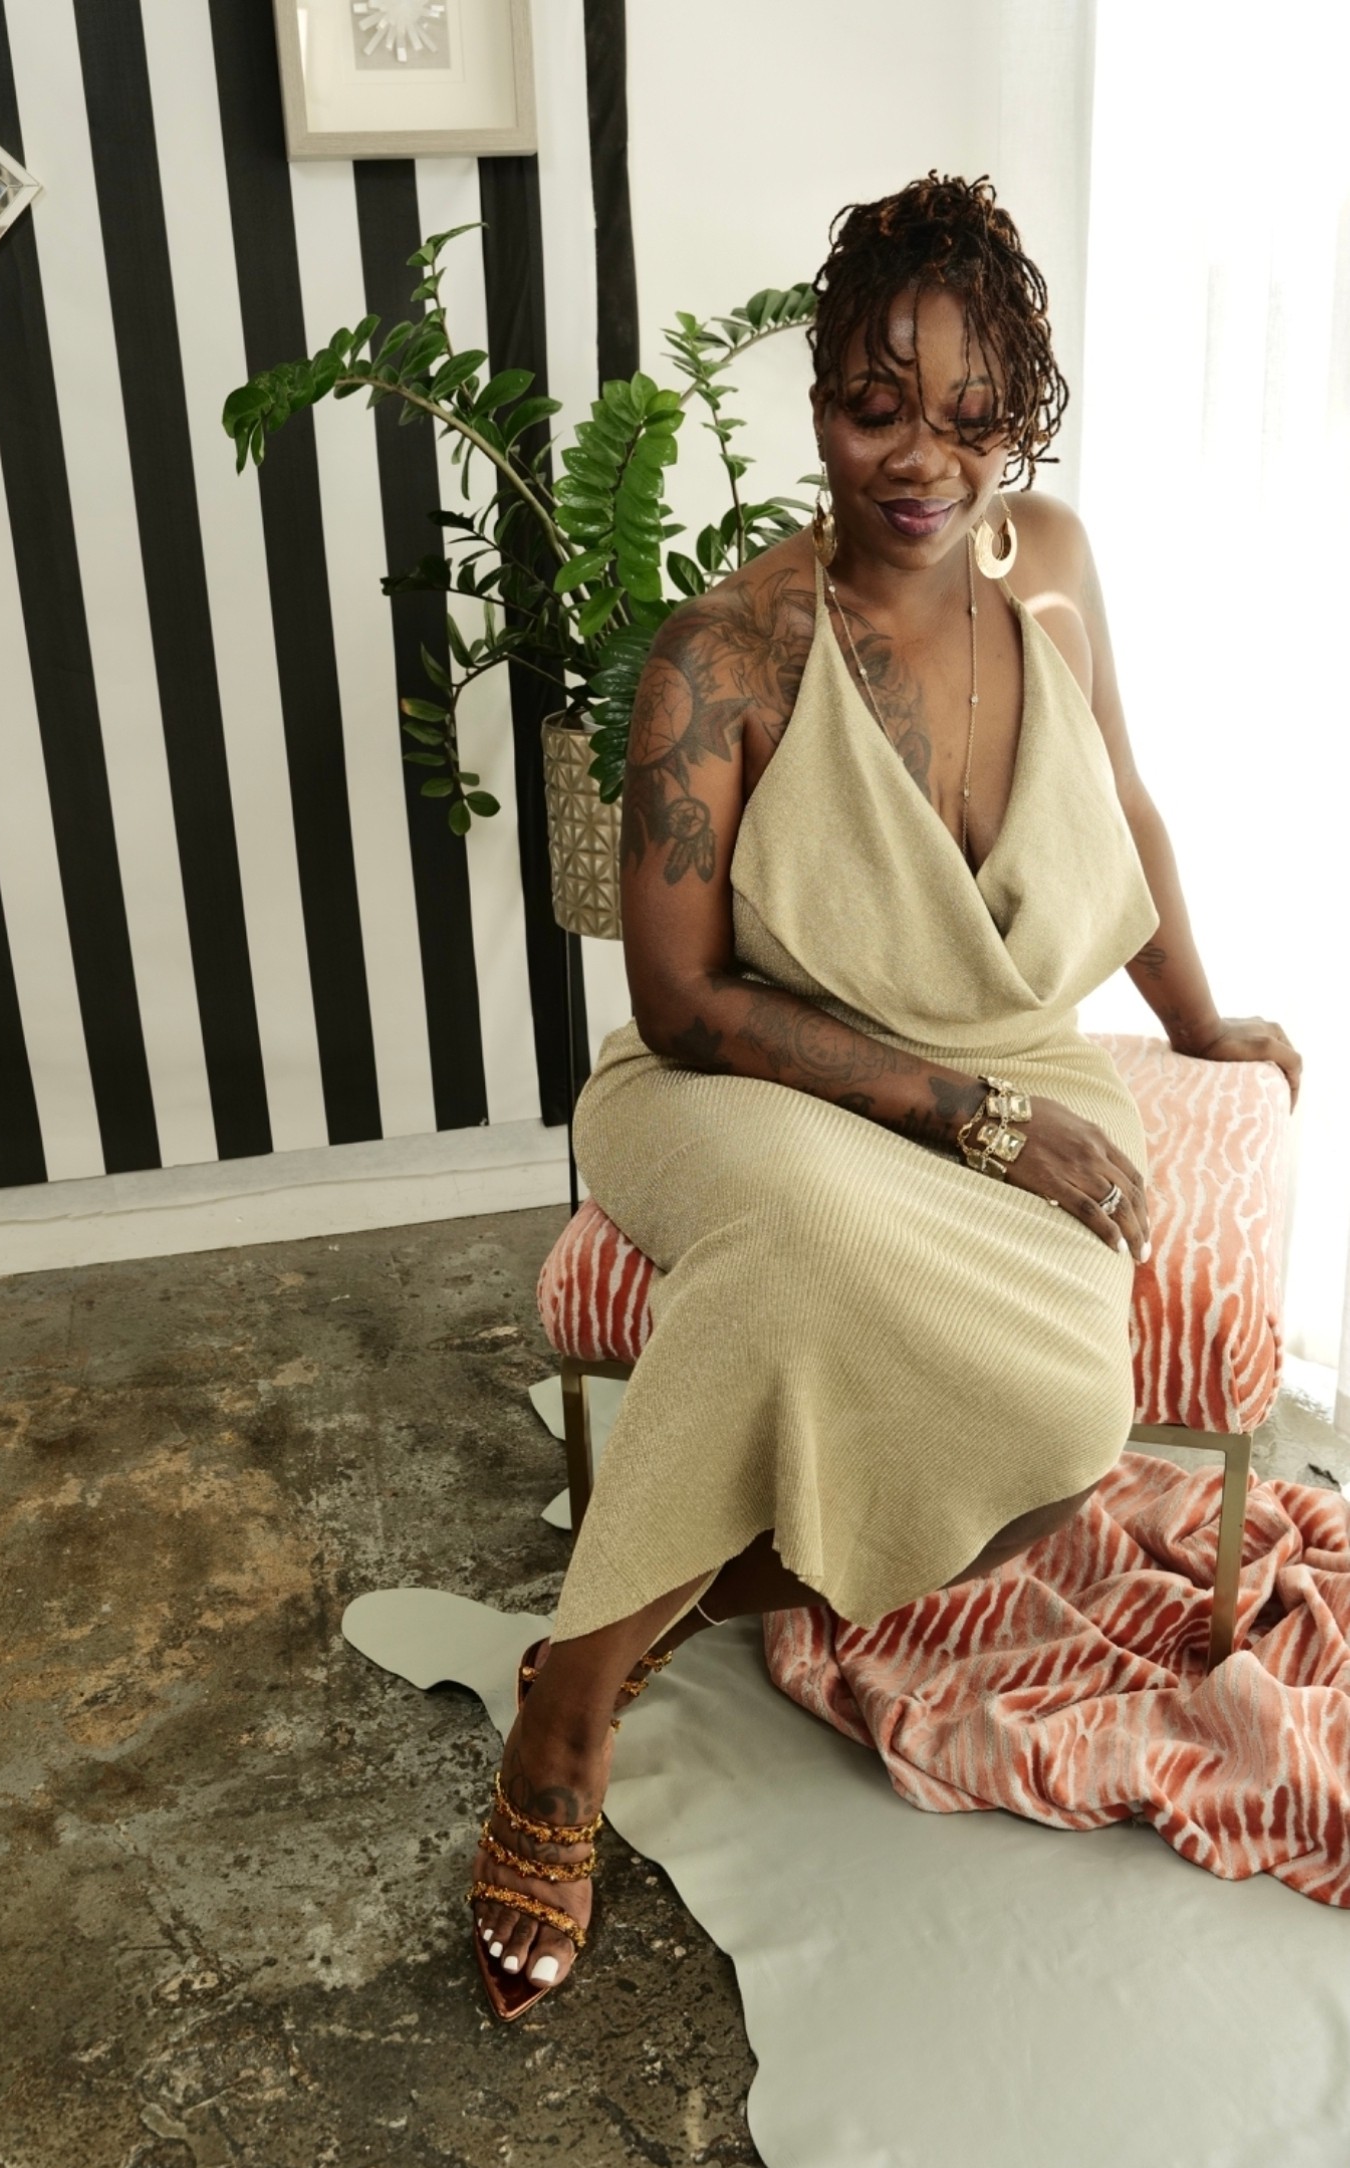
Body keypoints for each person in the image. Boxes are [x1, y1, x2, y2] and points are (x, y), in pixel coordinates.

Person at [467, 173, 1302, 2022]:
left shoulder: (1052, 569)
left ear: (1023, 419)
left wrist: (1200, 1018)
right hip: (738, 1078)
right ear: (817, 400)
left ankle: (628, 1621)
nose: (922, 461)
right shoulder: (720, 657)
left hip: (1007, 1059)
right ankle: (569, 1721)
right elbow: (682, 1001)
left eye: (972, 417)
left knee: (1060, 1421)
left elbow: (1123, 806)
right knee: (805, 1242)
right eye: (872, 407)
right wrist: (978, 1125)